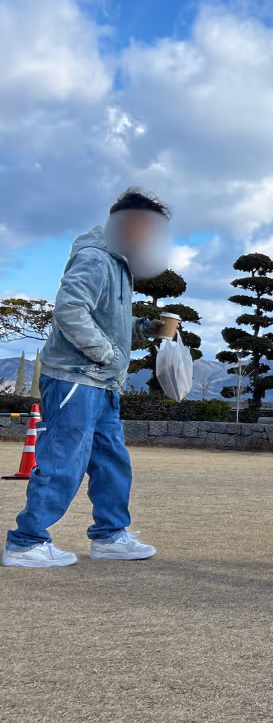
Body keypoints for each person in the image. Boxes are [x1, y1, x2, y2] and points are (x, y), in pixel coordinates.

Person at [4, 188, 171, 568]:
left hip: (101, 382)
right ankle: (26, 542)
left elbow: (104, 319)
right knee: (63, 460)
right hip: (76, 378)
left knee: (112, 461)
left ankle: (110, 536)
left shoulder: (118, 263)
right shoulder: (96, 259)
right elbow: (70, 310)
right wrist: (108, 354)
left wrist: (144, 328)